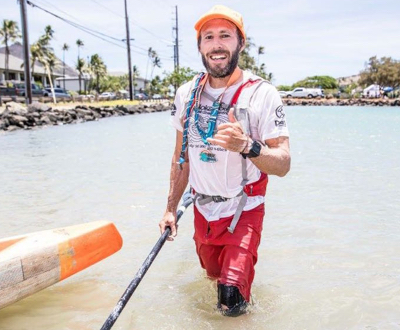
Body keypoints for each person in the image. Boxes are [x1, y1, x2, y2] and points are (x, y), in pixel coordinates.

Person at [159, 5, 291, 317]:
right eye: (209, 37)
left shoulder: (263, 94)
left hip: (243, 209)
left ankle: (237, 296)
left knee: (230, 300)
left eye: (225, 36)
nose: (217, 44)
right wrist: (169, 209)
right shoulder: (187, 93)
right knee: (213, 281)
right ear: (200, 46)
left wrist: (247, 145)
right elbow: (182, 158)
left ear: (240, 43)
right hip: (203, 211)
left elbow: (283, 164)